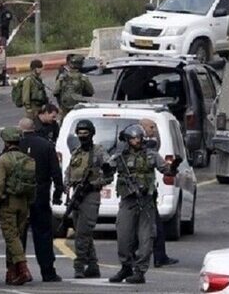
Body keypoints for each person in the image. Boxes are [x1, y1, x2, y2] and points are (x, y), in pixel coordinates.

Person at [104, 124, 180, 284]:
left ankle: (140, 271)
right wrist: (105, 169)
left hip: (146, 202)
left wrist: (173, 167)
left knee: (146, 238)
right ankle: (126, 267)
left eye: (139, 138)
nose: (137, 141)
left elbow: (166, 170)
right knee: (123, 236)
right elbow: (107, 173)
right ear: (127, 140)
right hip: (128, 200)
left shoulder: (151, 155)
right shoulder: (120, 157)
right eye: (133, 138)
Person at [18, 118, 65, 282]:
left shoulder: (15, 146)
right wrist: (58, 193)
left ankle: (17, 270)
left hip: (20, 196)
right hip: (41, 194)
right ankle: (48, 271)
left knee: (18, 235)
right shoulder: (46, 145)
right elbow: (56, 171)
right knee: (43, 234)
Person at [0, 127, 37, 285]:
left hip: (8, 202)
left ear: (6, 142)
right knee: (16, 236)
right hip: (24, 203)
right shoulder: (28, 160)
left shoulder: (4, 160)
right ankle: (11, 272)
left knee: (11, 236)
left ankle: (23, 269)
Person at [65, 119, 110, 279]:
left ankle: (79, 266)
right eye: (80, 133)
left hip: (90, 195)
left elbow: (109, 175)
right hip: (77, 195)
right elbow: (69, 171)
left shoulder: (98, 152)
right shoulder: (77, 152)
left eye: (86, 133)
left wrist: (93, 184)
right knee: (82, 232)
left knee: (83, 234)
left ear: (92, 134)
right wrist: (67, 185)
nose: (83, 136)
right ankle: (92, 266)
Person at [138, 119, 179, 268]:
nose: (154, 130)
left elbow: (165, 168)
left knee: (156, 226)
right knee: (141, 228)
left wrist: (173, 167)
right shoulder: (134, 147)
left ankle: (159, 256)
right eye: (151, 127)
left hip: (147, 193)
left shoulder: (151, 147)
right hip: (133, 196)